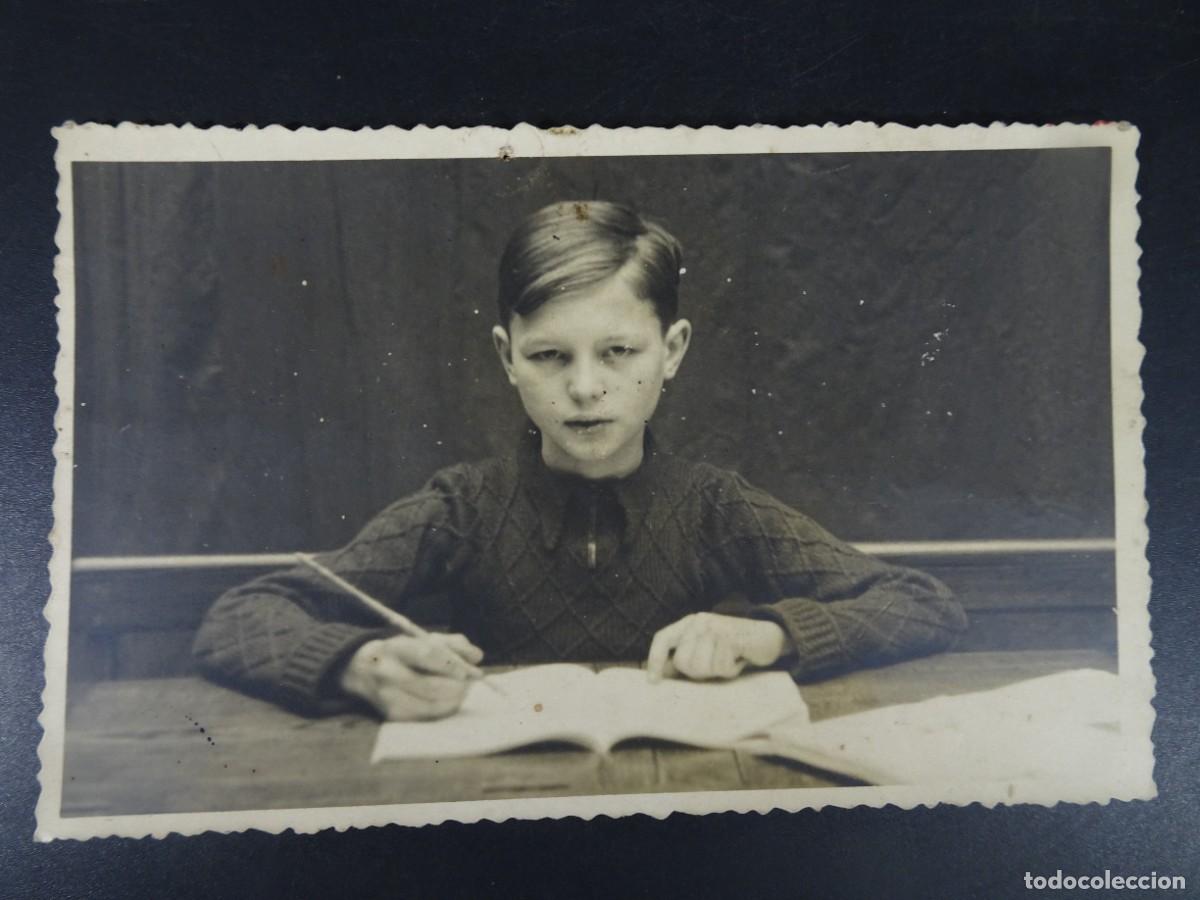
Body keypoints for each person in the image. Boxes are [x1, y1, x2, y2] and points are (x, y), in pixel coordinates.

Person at [193, 200, 967, 720]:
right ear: (507, 358)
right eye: (550, 356)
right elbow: (237, 617)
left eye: (620, 351)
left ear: (672, 351)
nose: (586, 388)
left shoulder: (715, 509)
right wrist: (360, 665)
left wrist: (766, 636)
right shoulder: (462, 510)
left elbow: (923, 601)